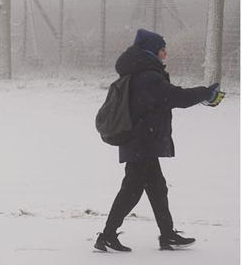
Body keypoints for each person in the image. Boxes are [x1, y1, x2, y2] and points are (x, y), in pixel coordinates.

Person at [95, 29, 224, 252]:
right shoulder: (147, 76)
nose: (165, 54)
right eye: (162, 50)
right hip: (141, 141)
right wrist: (205, 93)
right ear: (152, 50)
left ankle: (167, 234)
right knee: (132, 190)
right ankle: (106, 236)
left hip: (140, 140)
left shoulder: (140, 72)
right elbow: (175, 97)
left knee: (156, 187)